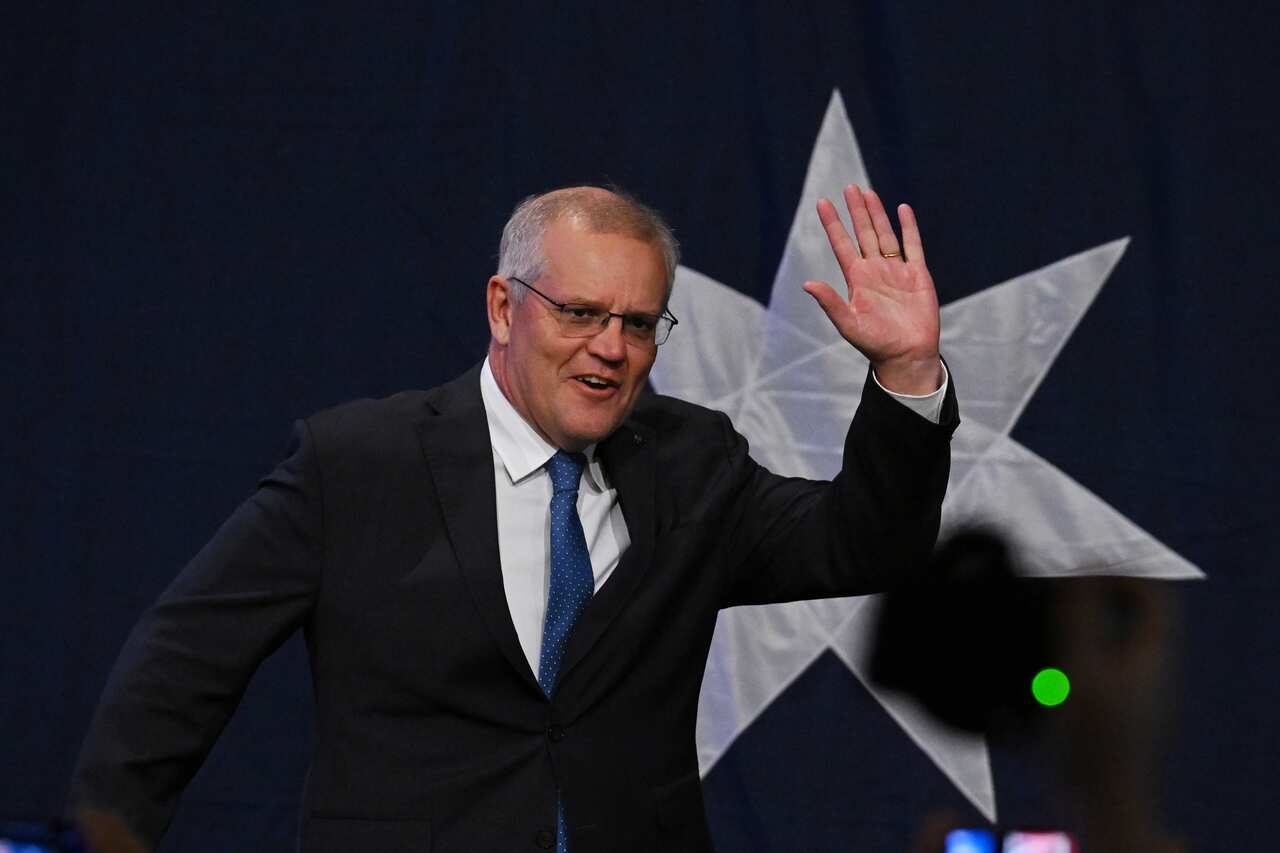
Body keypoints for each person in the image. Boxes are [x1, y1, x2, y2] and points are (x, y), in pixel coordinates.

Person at [70, 184, 958, 853]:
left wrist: (909, 373)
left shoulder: (693, 463)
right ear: (504, 306)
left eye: (639, 323)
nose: (610, 347)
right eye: (579, 313)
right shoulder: (357, 465)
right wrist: (111, 832)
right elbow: (183, 662)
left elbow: (866, 542)